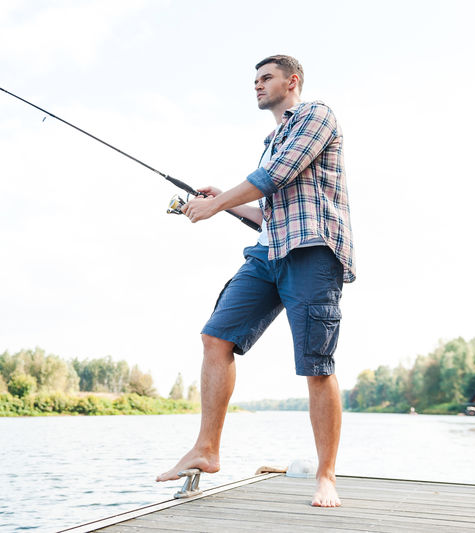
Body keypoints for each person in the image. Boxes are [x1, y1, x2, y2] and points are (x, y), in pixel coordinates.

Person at [155, 55, 355, 508]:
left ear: (292, 81)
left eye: (266, 78)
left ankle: (326, 476)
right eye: (255, 80)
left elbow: (276, 177)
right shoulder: (270, 140)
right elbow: (266, 211)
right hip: (267, 255)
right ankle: (207, 450)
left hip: (311, 252)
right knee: (215, 338)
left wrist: (217, 202)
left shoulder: (316, 116)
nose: (258, 86)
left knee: (316, 364)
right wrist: (223, 204)